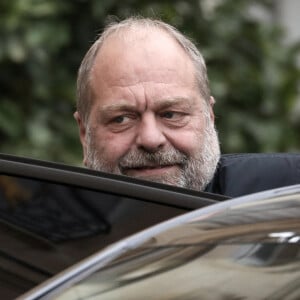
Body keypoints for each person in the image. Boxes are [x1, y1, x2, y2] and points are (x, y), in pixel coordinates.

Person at [74, 17, 300, 197]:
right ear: (85, 135)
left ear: (209, 116)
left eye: (171, 114)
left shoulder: (285, 192)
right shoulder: (46, 234)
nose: (151, 140)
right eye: (121, 119)